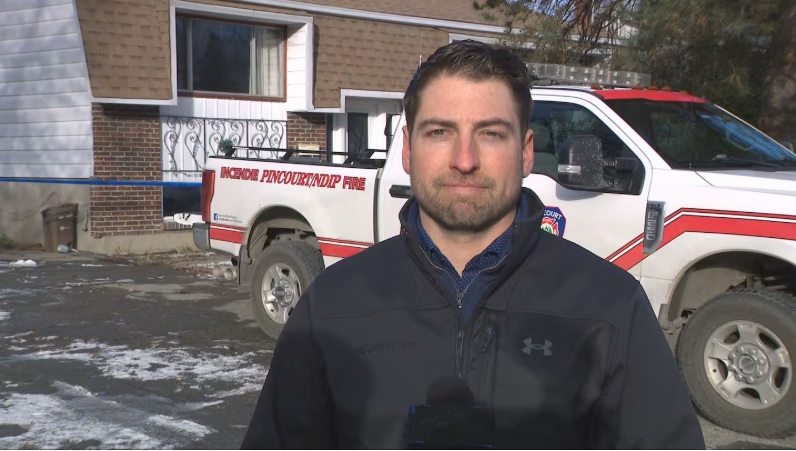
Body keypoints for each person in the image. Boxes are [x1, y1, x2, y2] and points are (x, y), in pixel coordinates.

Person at [241, 40, 706, 449]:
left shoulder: (612, 309)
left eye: (490, 134)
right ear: (408, 150)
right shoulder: (331, 306)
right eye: (440, 132)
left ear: (526, 151)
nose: (465, 160)